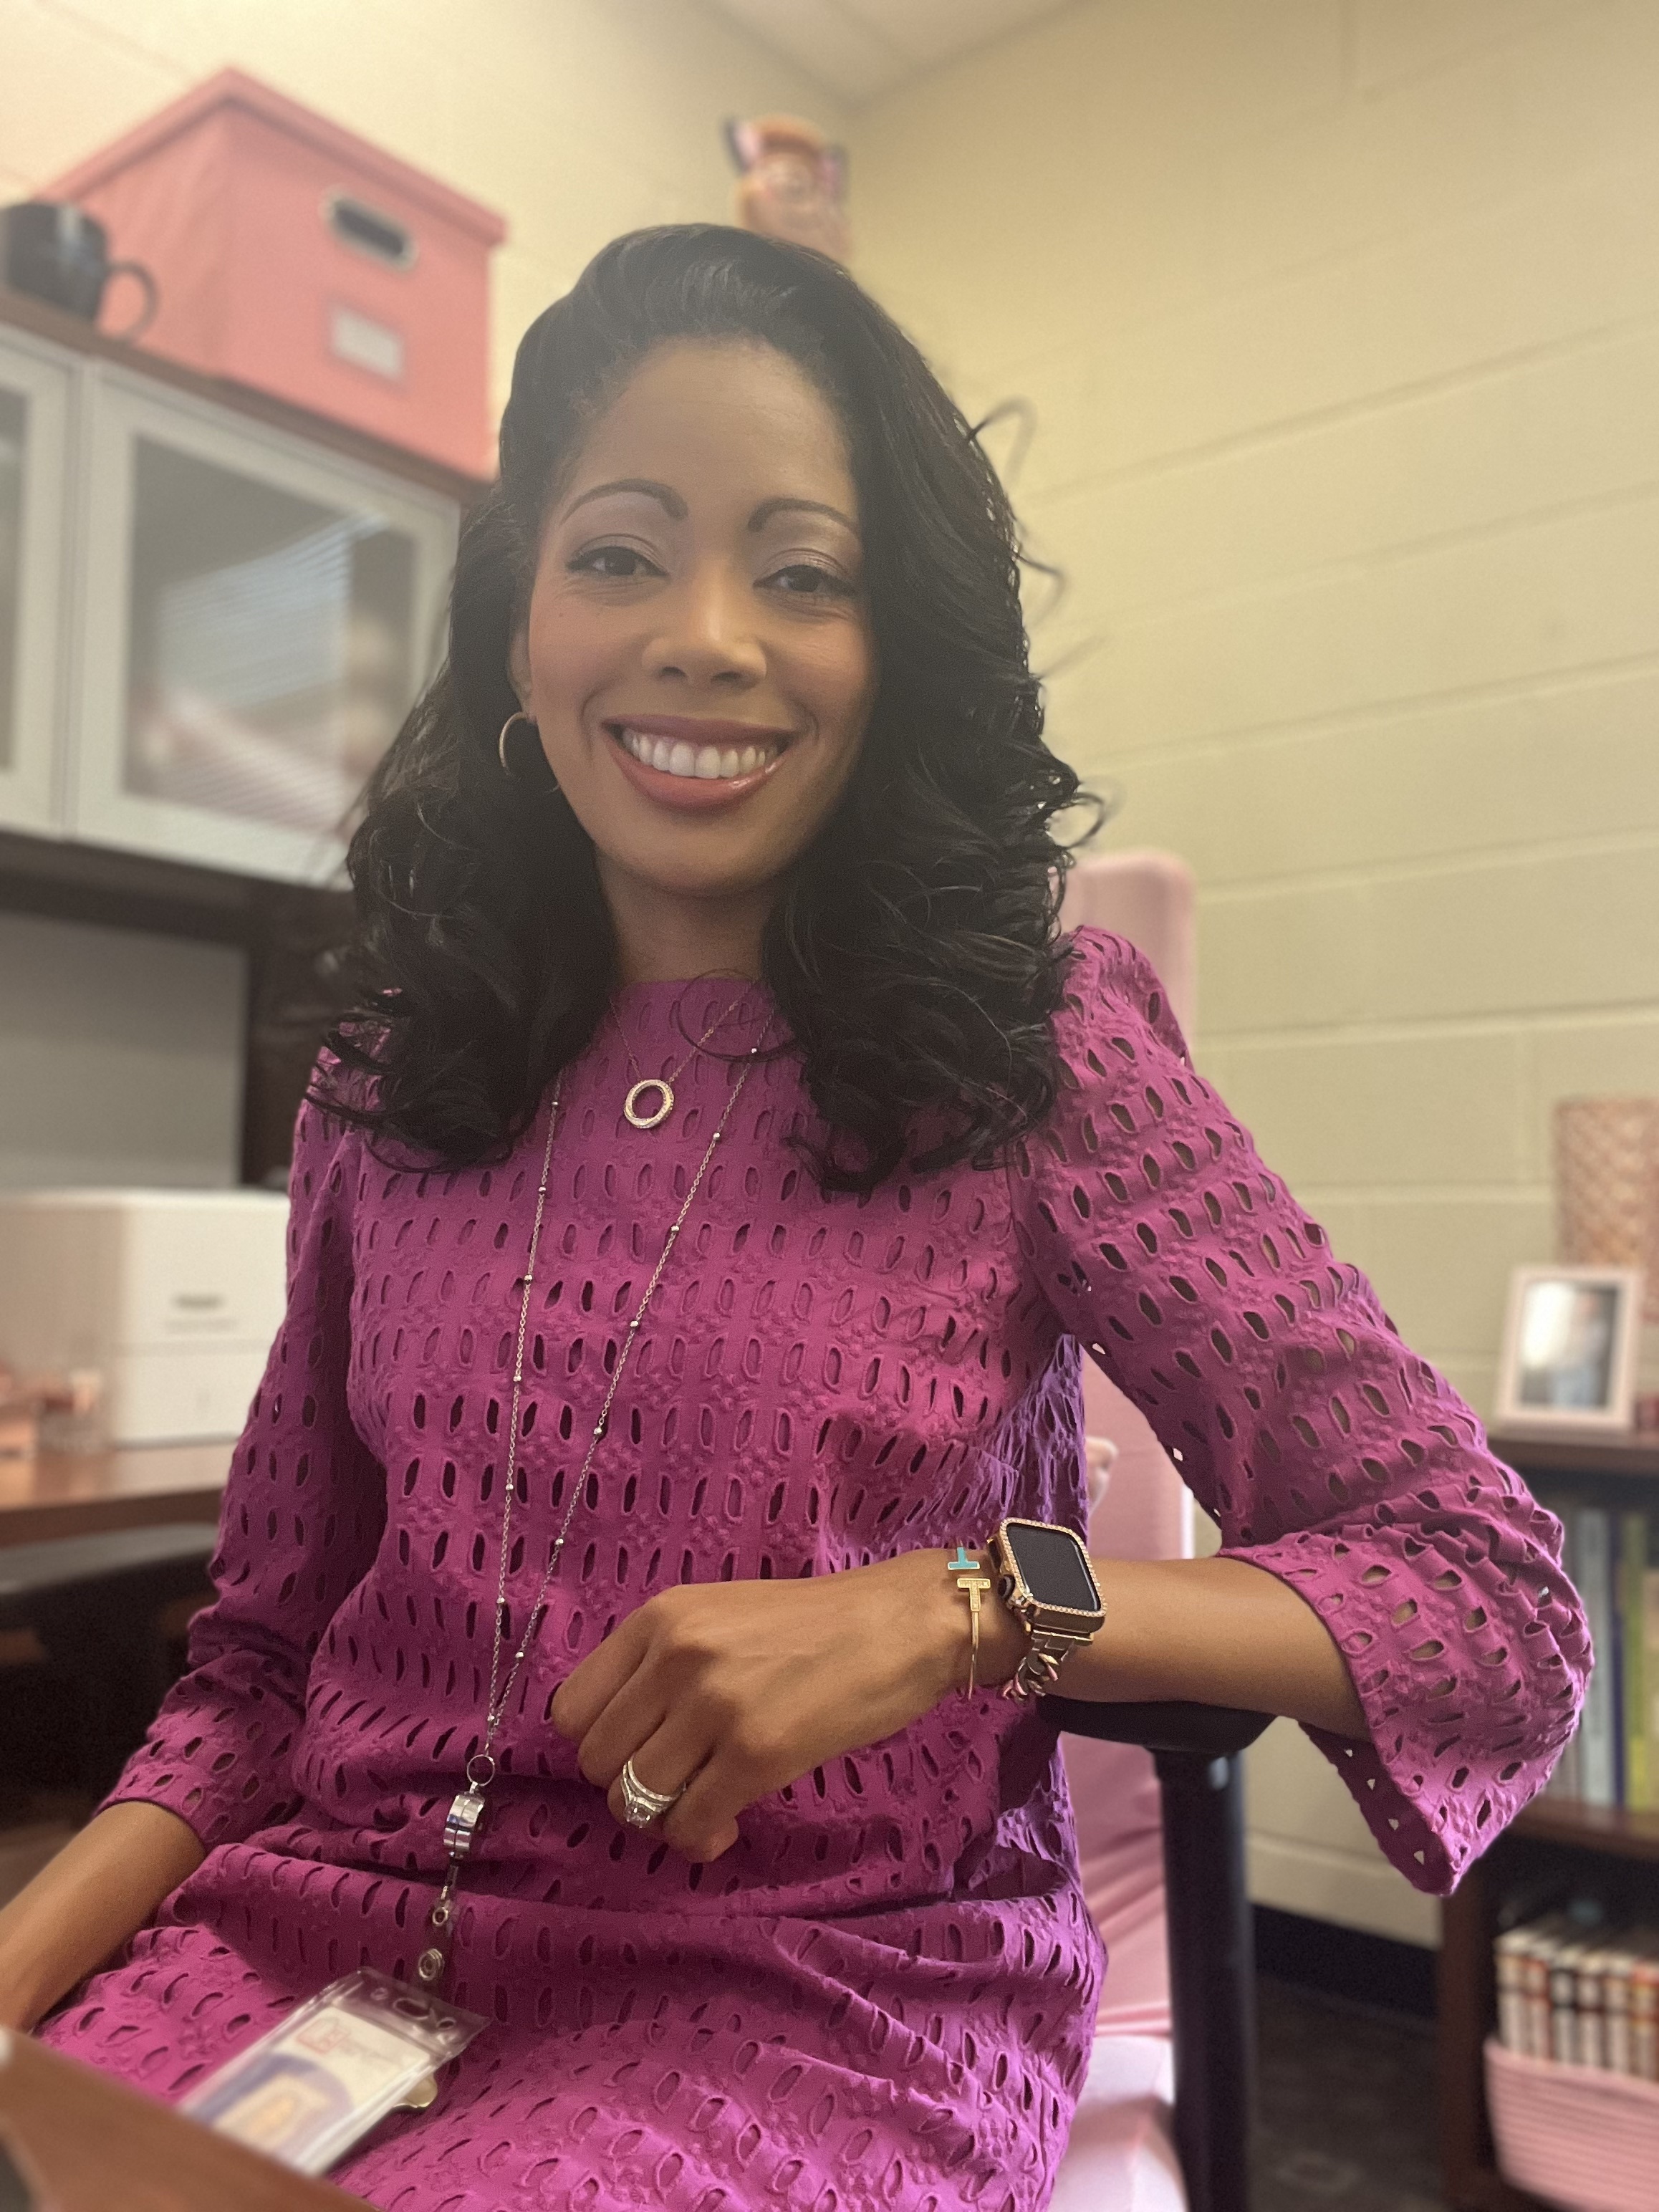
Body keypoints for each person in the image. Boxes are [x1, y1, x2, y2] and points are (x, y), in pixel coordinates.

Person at [0, 226, 1587, 2210]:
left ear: (888, 649)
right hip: (311, 1943)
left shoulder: (1039, 1055)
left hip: (807, 2001)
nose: (706, 636)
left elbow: (1480, 1592)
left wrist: (967, 1609)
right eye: (619, 554)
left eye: (802, 571)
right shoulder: (388, 1079)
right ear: (518, 631)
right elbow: (250, 1669)